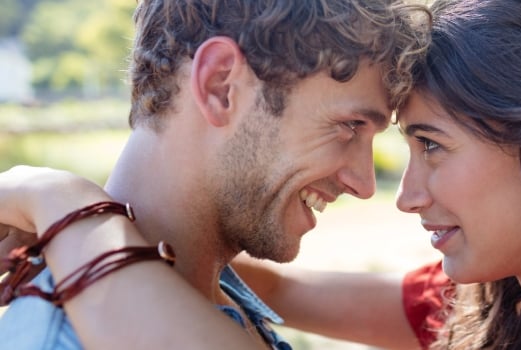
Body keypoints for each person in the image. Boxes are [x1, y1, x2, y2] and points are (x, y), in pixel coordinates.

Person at [2, 0, 521, 349]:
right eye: (353, 128)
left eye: (430, 144)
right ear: (217, 86)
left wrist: (63, 201)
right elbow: (267, 290)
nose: (384, 189)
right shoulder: (487, 313)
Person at [0, 0, 429, 349]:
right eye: (349, 125)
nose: (364, 182)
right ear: (221, 86)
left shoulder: (224, 302)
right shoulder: (58, 341)